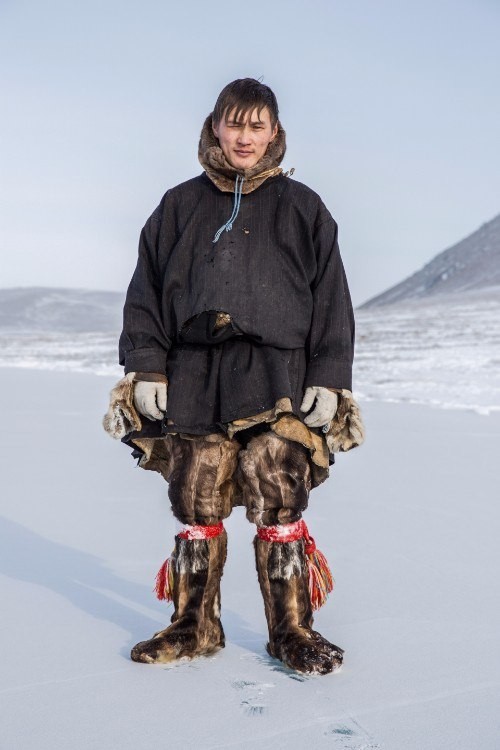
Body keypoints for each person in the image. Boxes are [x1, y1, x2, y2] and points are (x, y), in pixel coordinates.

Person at [103, 78, 364, 675]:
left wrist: (330, 375)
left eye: (257, 126)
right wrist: (145, 363)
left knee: (279, 490)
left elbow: (332, 298)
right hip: (195, 371)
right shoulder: (177, 206)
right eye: (234, 124)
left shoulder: (304, 208)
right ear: (214, 127)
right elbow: (145, 289)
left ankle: (293, 629)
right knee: (196, 494)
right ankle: (194, 625)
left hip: (279, 375)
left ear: (274, 132)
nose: (244, 137)